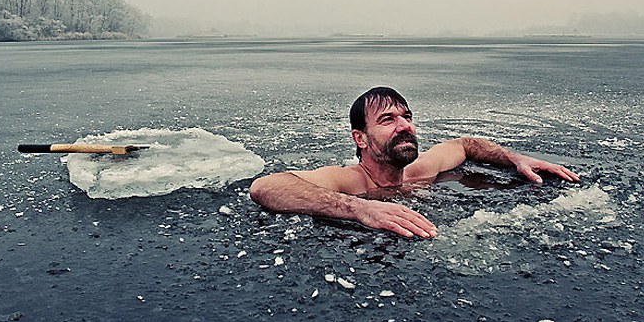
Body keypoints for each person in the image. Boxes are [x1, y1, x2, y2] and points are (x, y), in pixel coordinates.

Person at [248, 86, 580, 239]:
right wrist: (359, 208)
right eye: (388, 119)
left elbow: (465, 144)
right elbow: (266, 186)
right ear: (360, 139)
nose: (405, 125)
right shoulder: (350, 182)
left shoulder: (421, 170)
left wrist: (515, 159)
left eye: (407, 117)